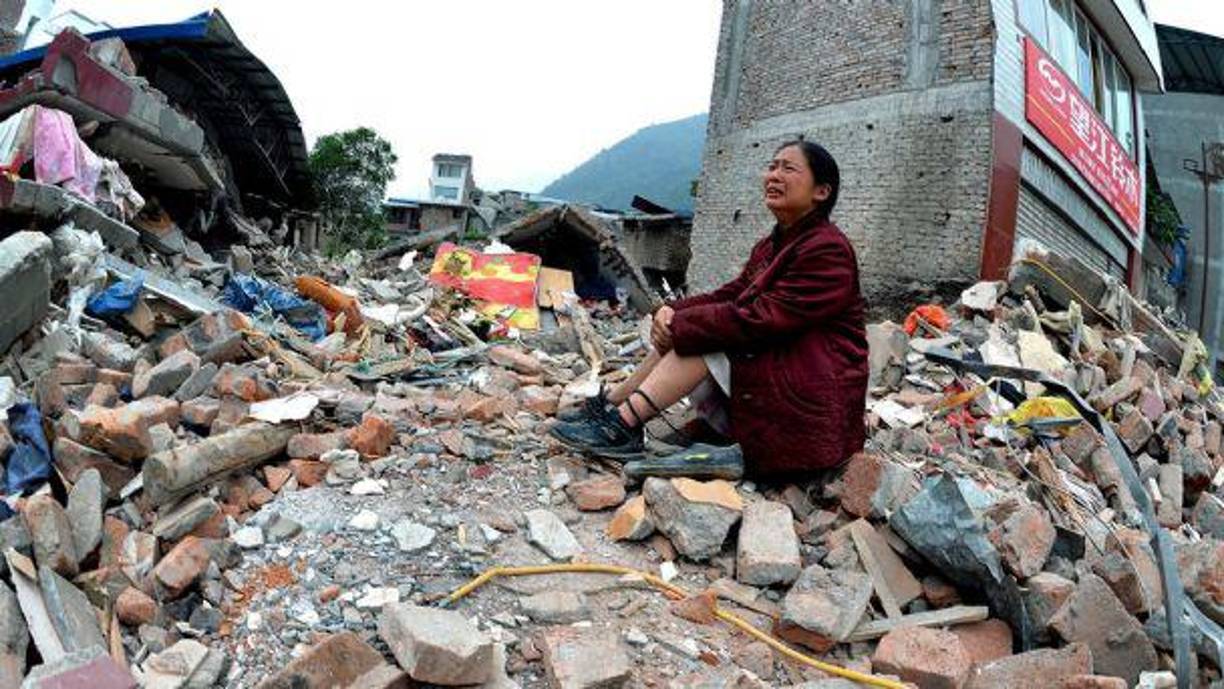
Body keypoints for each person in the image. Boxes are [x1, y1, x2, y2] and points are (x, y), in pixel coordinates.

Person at [551, 140, 868, 479]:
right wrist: (670, 310)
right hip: (785, 368)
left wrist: (682, 324)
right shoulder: (774, 244)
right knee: (694, 326)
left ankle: (623, 425)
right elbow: (732, 294)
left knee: (709, 336)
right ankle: (613, 405)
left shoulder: (827, 251)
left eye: (788, 168)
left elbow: (761, 319)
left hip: (814, 396)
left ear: (821, 191)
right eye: (772, 166)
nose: (773, 175)